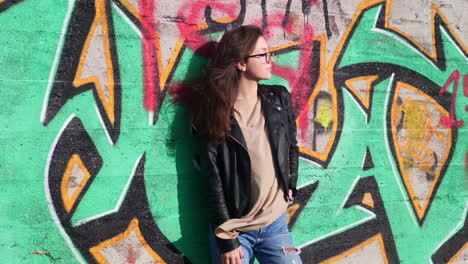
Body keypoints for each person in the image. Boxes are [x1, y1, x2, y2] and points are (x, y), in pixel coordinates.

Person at [179, 25, 302, 264]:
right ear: (241, 63)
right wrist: (226, 239)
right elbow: (212, 178)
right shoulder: (216, 111)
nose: (271, 59)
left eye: (270, 52)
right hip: (235, 229)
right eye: (263, 54)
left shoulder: (278, 97)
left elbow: (291, 147)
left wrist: (290, 184)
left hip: (275, 224)